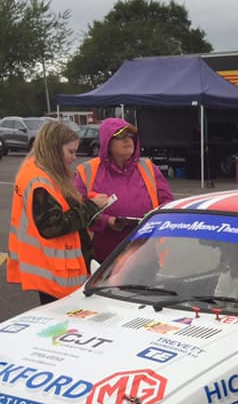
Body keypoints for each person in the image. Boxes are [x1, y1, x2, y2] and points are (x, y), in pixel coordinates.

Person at [7, 120, 110, 304]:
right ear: (54, 149)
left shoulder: (39, 172)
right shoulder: (40, 181)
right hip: (55, 273)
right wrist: (91, 207)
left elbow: (57, 209)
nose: (74, 157)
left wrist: (85, 204)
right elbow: (53, 226)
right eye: (70, 151)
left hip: (52, 269)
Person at [74, 118, 174, 263]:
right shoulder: (87, 171)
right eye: (120, 136)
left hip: (145, 251)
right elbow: (78, 210)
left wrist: (153, 218)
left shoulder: (149, 168)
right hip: (104, 256)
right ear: (108, 142)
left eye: (130, 136)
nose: (127, 140)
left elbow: (168, 203)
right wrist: (107, 221)